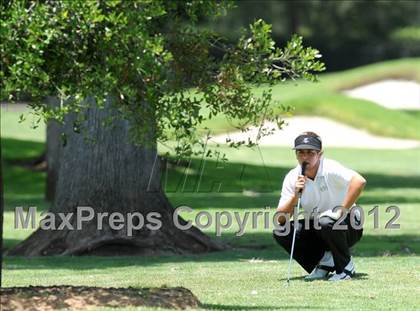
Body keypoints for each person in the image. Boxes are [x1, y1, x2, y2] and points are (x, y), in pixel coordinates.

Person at [273, 131, 366, 281]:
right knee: (281, 232)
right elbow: (280, 219)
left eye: (310, 152)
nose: (305, 157)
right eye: (300, 152)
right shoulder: (292, 177)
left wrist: (340, 211)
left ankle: (346, 267)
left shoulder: (330, 167)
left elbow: (359, 181)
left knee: (326, 221)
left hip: (347, 225)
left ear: (320, 153)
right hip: (319, 227)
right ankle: (325, 263)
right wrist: (295, 196)